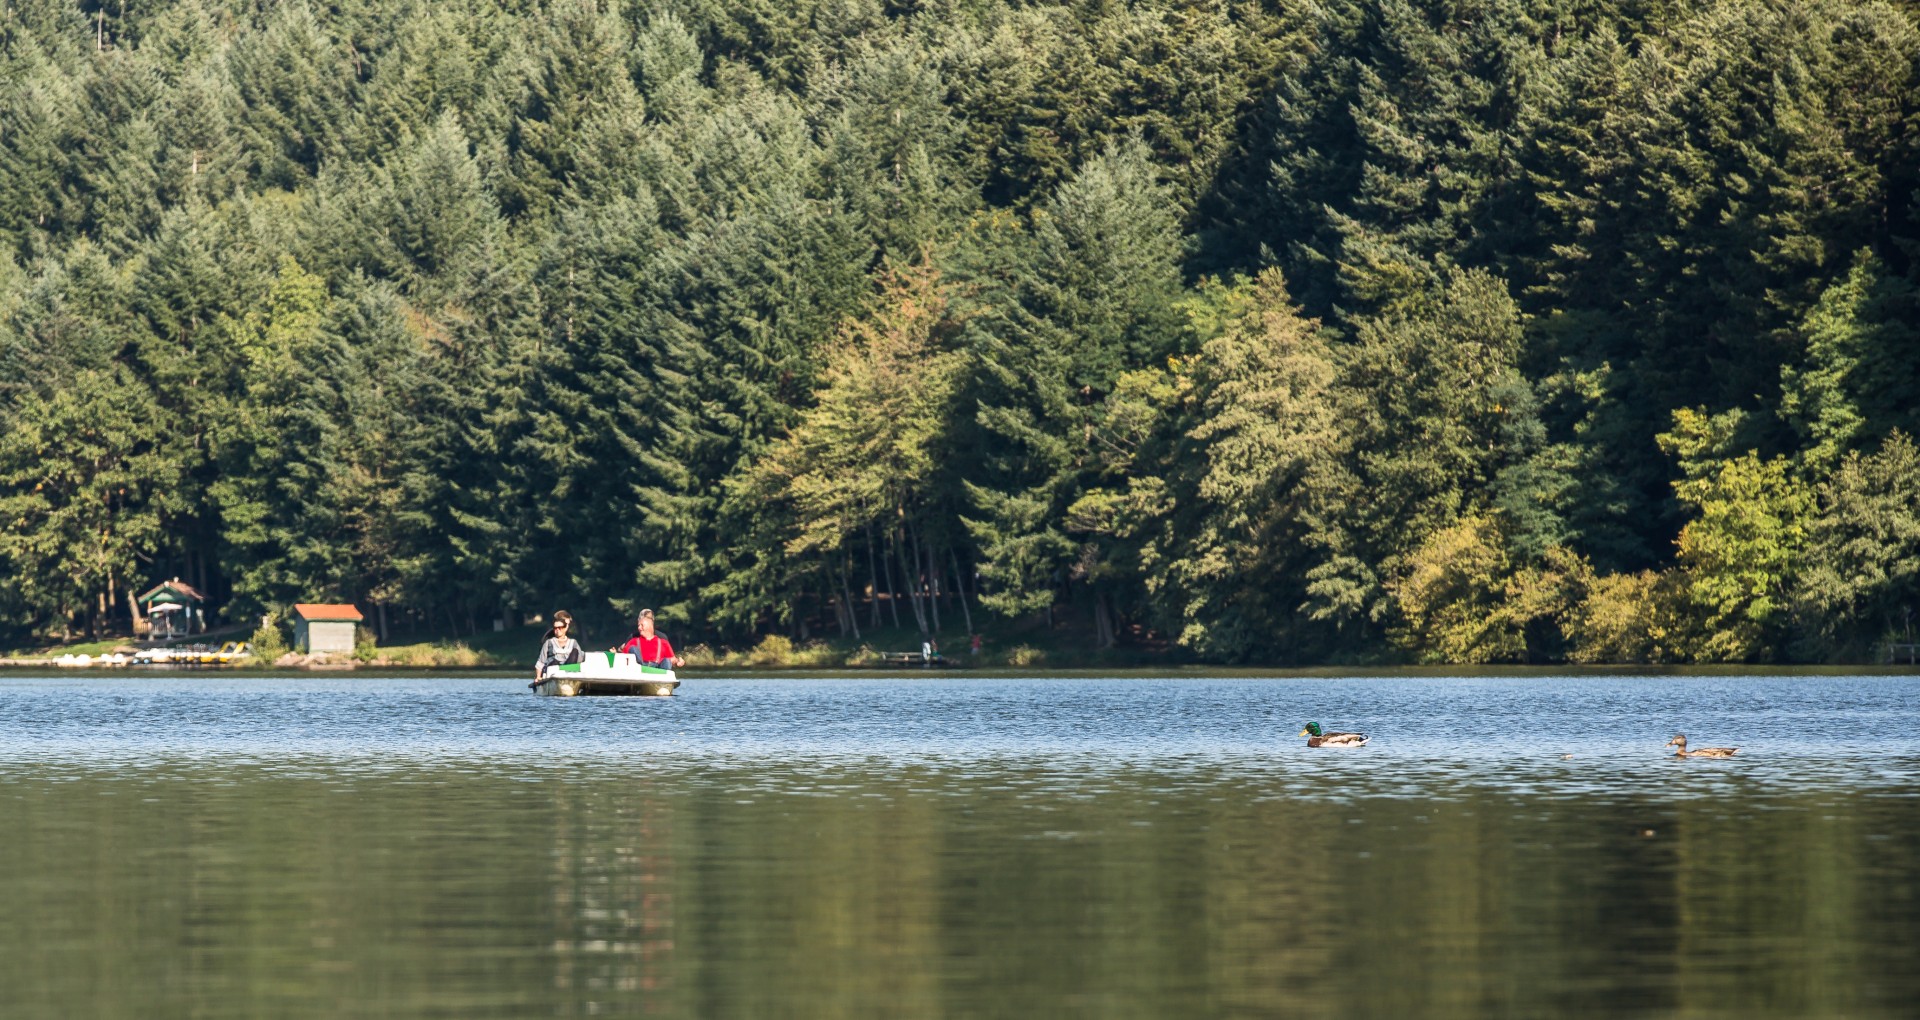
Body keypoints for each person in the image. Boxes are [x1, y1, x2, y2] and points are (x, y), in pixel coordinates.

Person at [531, 610, 584, 687]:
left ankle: (570, 678)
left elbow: (580, 659)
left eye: (560, 627)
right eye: (555, 628)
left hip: (568, 671)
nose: (557, 630)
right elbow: (540, 662)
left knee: (575, 652)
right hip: (553, 669)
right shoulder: (548, 642)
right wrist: (538, 677)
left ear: (565, 627)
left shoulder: (573, 642)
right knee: (555, 662)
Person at [618, 609, 683, 669]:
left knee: (667, 661)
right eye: (638, 625)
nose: (639, 628)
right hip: (639, 669)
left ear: (650, 625)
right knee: (633, 648)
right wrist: (615, 653)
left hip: (658, 669)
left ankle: (663, 678)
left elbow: (673, 659)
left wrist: (678, 662)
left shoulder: (663, 642)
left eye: (642, 625)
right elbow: (622, 657)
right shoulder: (633, 640)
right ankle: (641, 667)